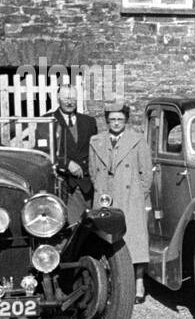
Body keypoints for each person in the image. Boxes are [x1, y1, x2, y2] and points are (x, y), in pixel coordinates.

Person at [89, 105, 152, 303]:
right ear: (107, 121)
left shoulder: (137, 140)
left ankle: (139, 284)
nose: (116, 123)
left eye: (120, 120)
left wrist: (138, 194)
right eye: (112, 120)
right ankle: (110, 284)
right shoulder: (96, 141)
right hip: (106, 197)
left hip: (130, 197)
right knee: (104, 239)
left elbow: (146, 173)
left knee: (135, 241)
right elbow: (92, 172)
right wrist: (102, 189)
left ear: (125, 121)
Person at [51, 82, 97, 223]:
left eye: (72, 98)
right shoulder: (49, 121)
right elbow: (45, 153)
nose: (69, 102)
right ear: (58, 99)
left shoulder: (89, 122)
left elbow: (95, 151)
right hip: (63, 184)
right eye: (66, 98)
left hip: (87, 184)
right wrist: (66, 163)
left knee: (89, 228)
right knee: (68, 227)